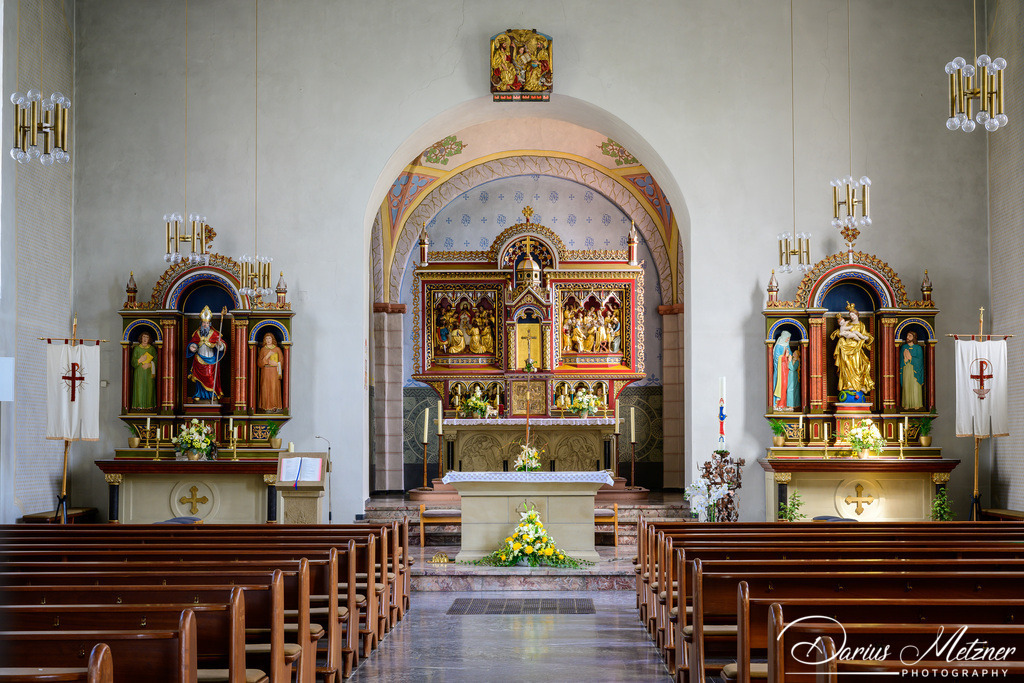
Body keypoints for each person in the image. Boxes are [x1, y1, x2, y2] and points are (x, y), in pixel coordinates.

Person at [831, 303, 874, 402]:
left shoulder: (861, 325)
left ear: (857, 315)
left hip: (856, 349)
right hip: (845, 349)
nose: (852, 317)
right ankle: (848, 385)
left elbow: (867, 336)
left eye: (853, 315)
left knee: (857, 367)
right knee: (846, 366)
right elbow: (840, 331)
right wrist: (839, 333)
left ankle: (858, 386)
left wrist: (865, 338)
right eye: (850, 315)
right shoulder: (847, 324)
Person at [186, 305, 227, 401]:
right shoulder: (197, 333)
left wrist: (220, 345)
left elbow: (222, 346)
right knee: (198, 380)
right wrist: (192, 347)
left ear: (209, 324)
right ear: (201, 323)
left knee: (210, 378)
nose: (205, 325)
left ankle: (212, 394)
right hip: (199, 359)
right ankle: (199, 394)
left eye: (207, 323)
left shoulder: (215, 334)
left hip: (210, 360)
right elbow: (192, 343)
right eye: (204, 323)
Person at [131, 331, 157, 410]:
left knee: (149, 388)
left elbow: (156, 361)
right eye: (144, 337)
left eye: (147, 337)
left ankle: (150, 405)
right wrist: (140, 360)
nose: (145, 339)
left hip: (149, 372)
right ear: (141, 338)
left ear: (149, 339)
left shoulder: (152, 349)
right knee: (139, 388)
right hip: (139, 372)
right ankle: (139, 405)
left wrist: (150, 364)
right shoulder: (137, 349)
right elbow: (133, 362)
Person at [257, 332, 283, 413]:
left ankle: (275, 406)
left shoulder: (277, 349)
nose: (268, 340)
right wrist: (267, 356)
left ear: (273, 339)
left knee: (274, 388)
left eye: (270, 338)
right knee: (265, 388)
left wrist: (277, 364)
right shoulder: (263, 350)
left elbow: (282, 362)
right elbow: (259, 363)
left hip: (274, 372)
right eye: (266, 338)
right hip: (265, 372)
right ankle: (266, 407)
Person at [900, 331, 925, 410]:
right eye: (907, 336)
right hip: (906, 369)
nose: (907, 337)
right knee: (906, 385)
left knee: (915, 386)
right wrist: (904, 360)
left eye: (910, 336)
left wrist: (911, 358)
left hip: (915, 370)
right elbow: (900, 360)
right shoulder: (904, 347)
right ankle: (906, 404)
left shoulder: (918, 348)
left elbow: (920, 361)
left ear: (914, 337)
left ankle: (917, 404)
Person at [772, 331, 792, 410]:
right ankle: (776, 404)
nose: (787, 340)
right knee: (780, 385)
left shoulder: (787, 346)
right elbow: (777, 359)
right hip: (780, 371)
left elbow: (790, 354)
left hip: (786, 369)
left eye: (788, 338)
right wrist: (785, 356)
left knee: (785, 386)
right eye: (787, 338)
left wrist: (789, 357)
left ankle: (783, 404)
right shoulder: (778, 346)